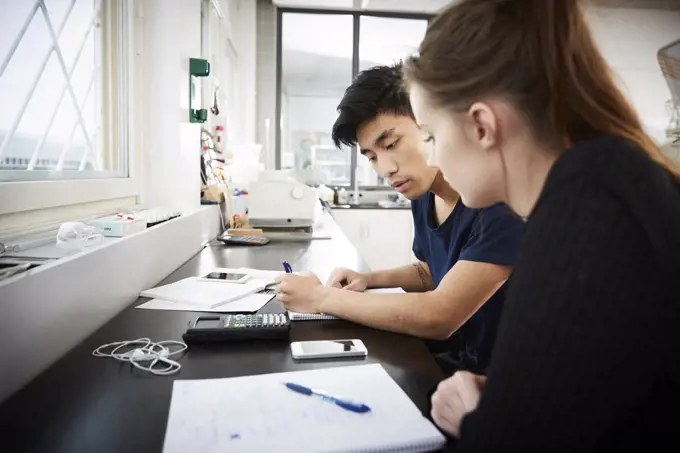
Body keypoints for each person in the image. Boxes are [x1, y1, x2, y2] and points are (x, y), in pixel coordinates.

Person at [404, 0, 680, 451]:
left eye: (431, 135)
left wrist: (476, 419)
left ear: (481, 126)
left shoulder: (587, 204)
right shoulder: (606, 177)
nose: (431, 157)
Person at [275, 64, 525, 374]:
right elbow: (433, 271)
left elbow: (440, 315)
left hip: (504, 378)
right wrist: (369, 279)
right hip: (461, 361)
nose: (385, 169)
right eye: (372, 157)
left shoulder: (499, 202)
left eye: (391, 144)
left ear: (430, 122)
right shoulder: (424, 195)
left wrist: (319, 298)